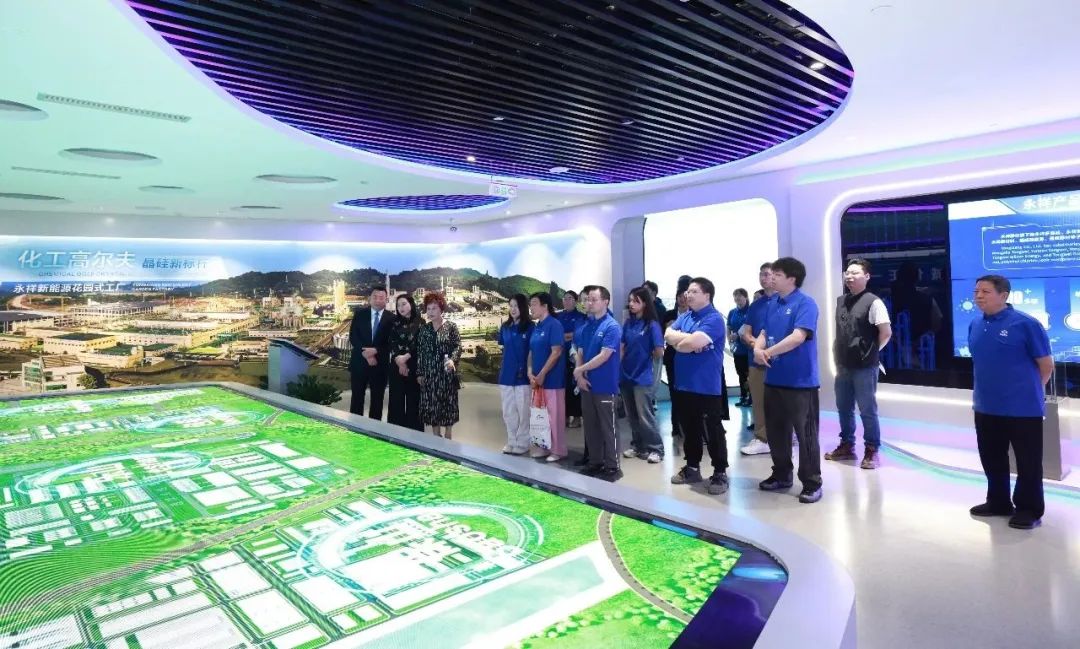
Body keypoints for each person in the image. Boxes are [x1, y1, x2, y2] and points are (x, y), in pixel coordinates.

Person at [967, 275, 1052, 530]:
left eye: (985, 292)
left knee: (1028, 462)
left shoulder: (1026, 324)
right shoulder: (975, 324)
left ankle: (1028, 509)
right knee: (992, 457)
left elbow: (1046, 365)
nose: (979, 296)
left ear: (1003, 295)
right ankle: (998, 502)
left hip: (1022, 409)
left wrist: (1029, 392)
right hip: (986, 406)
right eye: (976, 291)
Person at [754, 257, 822, 504]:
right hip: (774, 380)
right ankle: (782, 474)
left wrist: (767, 353)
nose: (771, 278)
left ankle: (812, 482)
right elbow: (764, 332)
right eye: (771, 274)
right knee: (776, 433)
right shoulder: (772, 303)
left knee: (806, 436)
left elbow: (798, 337)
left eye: (777, 274)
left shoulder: (806, 303)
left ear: (792, 278)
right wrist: (757, 349)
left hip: (800, 382)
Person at [666, 277, 731, 496]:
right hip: (683, 384)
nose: (688, 295)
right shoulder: (685, 316)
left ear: (707, 295)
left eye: (694, 291)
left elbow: (691, 344)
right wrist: (685, 341)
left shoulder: (714, 319)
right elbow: (667, 334)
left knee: (712, 431)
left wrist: (683, 342)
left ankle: (720, 471)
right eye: (688, 291)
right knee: (689, 429)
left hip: (706, 386)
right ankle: (692, 467)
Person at [825, 259, 892, 469]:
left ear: (867, 276)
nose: (849, 276)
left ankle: (872, 449)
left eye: (855, 273)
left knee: (867, 409)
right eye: (847, 273)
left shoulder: (874, 302)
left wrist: (871, 352)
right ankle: (847, 445)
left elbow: (886, 332)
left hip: (865, 367)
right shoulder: (841, 301)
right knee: (843, 407)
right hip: (843, 364)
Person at [574, 286, 623, 481]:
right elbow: (580, 352)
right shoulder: (587, 327)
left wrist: (580, 369)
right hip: (587, 385)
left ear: (605, 301)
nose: (589, 303)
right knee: (591, 426)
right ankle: (595, 462)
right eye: (588, 299)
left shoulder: (612, 326)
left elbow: (604, 355)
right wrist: (580, 375)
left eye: (594, 299)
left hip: (605, 385)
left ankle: (613, 466)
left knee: (608, 427)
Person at [620, 286, 665, 463]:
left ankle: (656, 449)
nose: (631, 304)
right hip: (626, 374)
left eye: (635, 301)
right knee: (631, 415)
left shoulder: (652, 325)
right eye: (630, 300)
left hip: (643, 376)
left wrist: (646, 358)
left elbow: (659, 351)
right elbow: (622, 347)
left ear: (645, 303)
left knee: (645, 415)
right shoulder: (628, 323)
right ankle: (639, 446)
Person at [738, 264, 777, 455]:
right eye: (761, 274)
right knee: (759, 401)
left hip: (780, 361)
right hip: (756, 361)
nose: (763, 278)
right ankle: (762, 438)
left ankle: (784, 436)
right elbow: (746, 332)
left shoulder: (785, 301)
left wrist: (770, 350)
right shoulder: (755, 305)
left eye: (767, 274)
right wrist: (758, 348)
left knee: (782, 401)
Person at [527, 292, 568, 462]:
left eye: (534, 304)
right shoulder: (537, 326)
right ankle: (543, 446)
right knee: (541, 416)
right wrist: (530, 372)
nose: (531, 308)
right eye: (530, 304)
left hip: (552, 380)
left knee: (554, 416)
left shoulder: (554, 325)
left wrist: (543, 374)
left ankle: (558, 450)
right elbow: (531, 351)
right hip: (537, 381)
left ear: (545, 306)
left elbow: (556, 352)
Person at [416, 292, 461, 439]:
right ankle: (436, 434)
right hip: (430, 374)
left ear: (441, 309)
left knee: (448, 403)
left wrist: (453, 360)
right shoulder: (424, 330)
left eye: (434, 308)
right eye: (428, 309)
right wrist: (419, 373)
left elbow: (457, 346)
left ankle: (448, 433)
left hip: (446, 373)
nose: (430, 312)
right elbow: (421, 352)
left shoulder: (451, 327)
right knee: (432, 404)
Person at [348, 286, 394, 419]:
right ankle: (355, 427)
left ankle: (374, 429)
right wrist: (366, 354)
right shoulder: (359, 314)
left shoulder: (392, 319)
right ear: (370, 298)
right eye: (375, 297)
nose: (378, 300)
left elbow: (392, 342)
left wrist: (376, 351)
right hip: (359, 363)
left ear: (386, 300)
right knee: (356, 398)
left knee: (377, 401)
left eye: (381, 298)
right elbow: (353, 337)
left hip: (380, 365)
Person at [498, 294, 534, 455]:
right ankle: (511, 440)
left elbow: (532, 352)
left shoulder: (530, 327)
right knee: (508, 411)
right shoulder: (505, 327)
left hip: (523, 377)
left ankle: (523, 442)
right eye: (511, 306)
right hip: (506, 375)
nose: (513, 309)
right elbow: (503, 348)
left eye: (516, 306)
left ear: (523, 308)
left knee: (523, 411)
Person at [662, 275, 693, 452]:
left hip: (690, 360)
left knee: (689, 394)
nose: (682, 299)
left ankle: (690, 428)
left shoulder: (694, 317)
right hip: (672, 358)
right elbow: (666, 336)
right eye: (679, 296)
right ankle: (676, 426)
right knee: (675, 393)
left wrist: (676, 334)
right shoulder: (669, 315)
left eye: (685, 295)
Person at [387, 293, 423, 431]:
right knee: (396, 401)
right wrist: (399, 361)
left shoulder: (421, 322)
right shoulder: (393, 323)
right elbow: (391, 342)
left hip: (414, 367)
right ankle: (396, 435)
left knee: (414, 401)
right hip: (396, 366)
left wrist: (406, 357)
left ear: (411, 304)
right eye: (398, 305)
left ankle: (415, 437)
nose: (401, 308)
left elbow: (420, 344)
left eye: (404, 304)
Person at [556, 290, 587, 429]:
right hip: (559, 356)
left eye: (570, 298)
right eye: (565, 298)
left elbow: (579, 334)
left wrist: (566, 336)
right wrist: (569, 335)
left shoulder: (581, 317)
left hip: (575, 356)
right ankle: (564, 416)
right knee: (562, 386)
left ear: (575, 301)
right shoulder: (558, 317)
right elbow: (556, 335)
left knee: (575, 385)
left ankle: (577, 417)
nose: (566, 301)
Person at [727, 288, 752, 407]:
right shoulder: (732, 312)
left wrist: (740, 335)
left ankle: (751, 397)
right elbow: (728, 327)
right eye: (735, 296)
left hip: (749, 349)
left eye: (740, 296)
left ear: (746, 297)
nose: (737, 298)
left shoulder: (751, 311)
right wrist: (729, 340)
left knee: (750, 374)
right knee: (741, 374)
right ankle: (743, 396)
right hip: (738, 349)